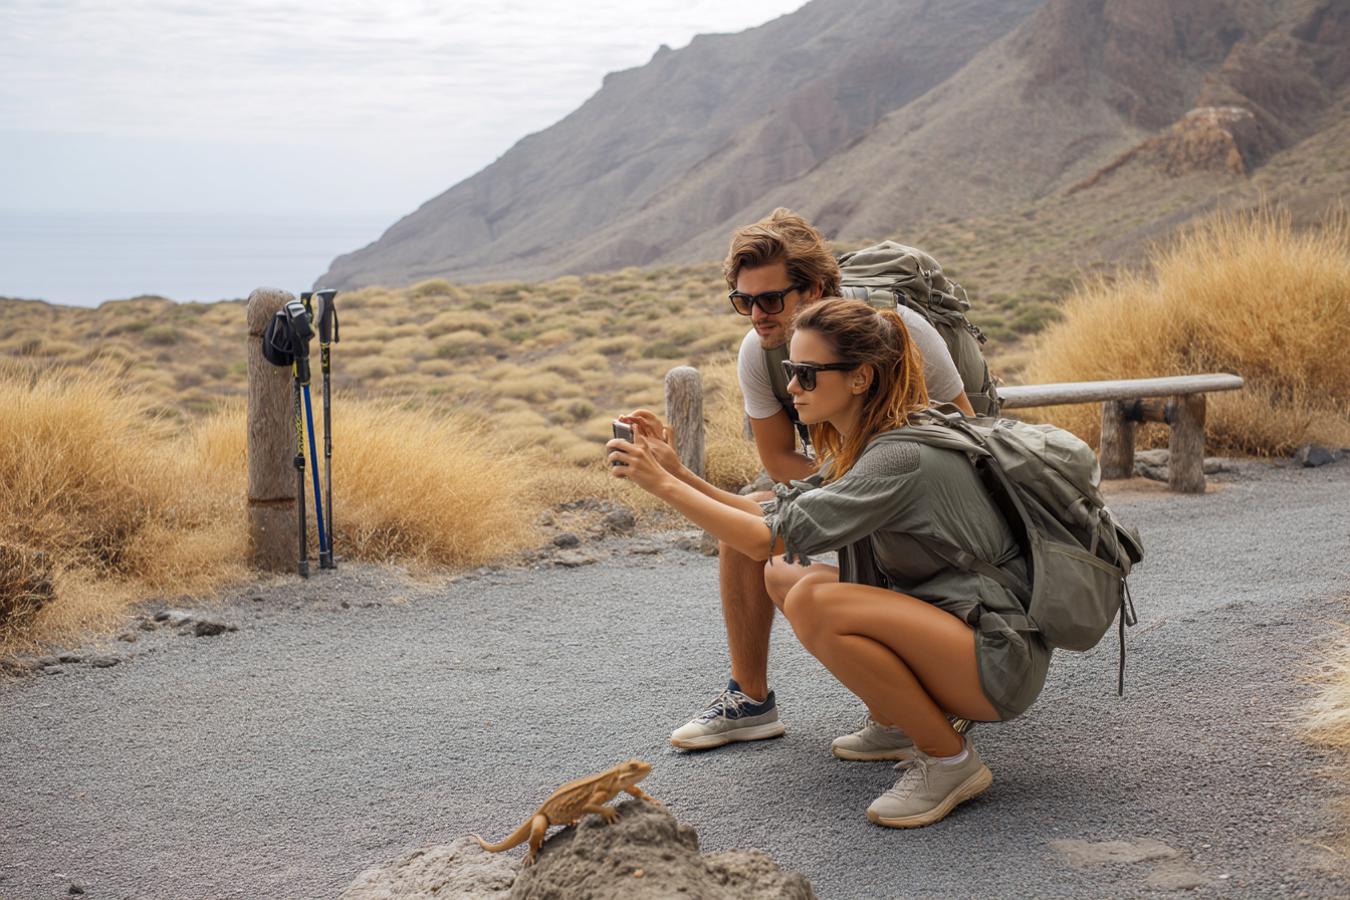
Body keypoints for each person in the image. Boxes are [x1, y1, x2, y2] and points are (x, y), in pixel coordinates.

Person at [608, 298, 1049, 827]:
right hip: (954, 631)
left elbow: (762, 536)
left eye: (807, 375)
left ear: (860, 378)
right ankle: (899, 722)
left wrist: (658, 486)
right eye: (792, 371)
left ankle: (949, 760)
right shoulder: (867, 442)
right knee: (784, 574)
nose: (791, 387)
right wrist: (676, 473)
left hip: (994, 659)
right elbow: (771, 514)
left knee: (816, 600)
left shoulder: (897, 455)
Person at [671, 208, 975, 756]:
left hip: (925, 513)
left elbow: (967, 435)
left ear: (813, 288)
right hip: (853, 488)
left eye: (770, 300)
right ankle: (751, 699)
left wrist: (862, 497)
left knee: (782, 548)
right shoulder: (758, 353)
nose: (756, 316)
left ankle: (921, 709)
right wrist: (841, 498)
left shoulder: (898, 334)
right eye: (744, 301)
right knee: (752, 515)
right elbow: (780, 457)